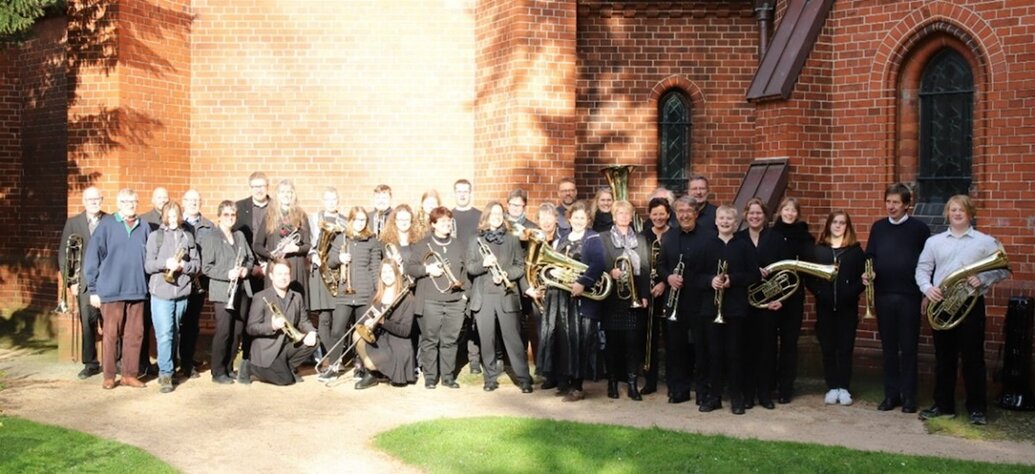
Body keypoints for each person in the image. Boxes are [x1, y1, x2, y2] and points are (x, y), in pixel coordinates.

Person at [916, 195, 1008, 426]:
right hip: (942, 305)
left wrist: (983, 278)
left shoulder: (985, 242)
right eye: (953, 210)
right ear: (947, 213)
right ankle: (944, 405)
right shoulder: (934, 242)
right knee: (944, 358)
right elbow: (923, 269)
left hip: (971, 305)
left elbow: (1003, 270)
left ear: (970, 214)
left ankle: (977, 409)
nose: (957, 213)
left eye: (962, 210)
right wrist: (928, 289)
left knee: (973, 359)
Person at [865, 183, 930, 414]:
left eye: (895, 202)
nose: (891, 206)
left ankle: (909, 396)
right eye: (888, 201)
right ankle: (891, 395)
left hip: (910, 296)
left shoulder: (919, 229)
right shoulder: (878, 227)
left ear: (906, 205)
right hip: (884, 295)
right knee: (889, 348)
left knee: (909, 348)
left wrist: (925, 294)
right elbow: (870, 256)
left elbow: (927, 263)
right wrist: (868, 272)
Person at [84, 188, 151, 389]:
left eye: (134, 202)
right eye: (126, 202)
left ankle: (129, 374)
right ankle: (109, 376)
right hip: (111, 291)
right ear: (118, 203)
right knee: (111, 334)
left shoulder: (144, 227)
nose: (130, 205)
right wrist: (93, 290)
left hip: (138, 290)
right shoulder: (106, 225)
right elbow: (92, 258)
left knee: (135, 334)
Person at [541, 201, 606, 402]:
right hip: (559, 296)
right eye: (575, 217)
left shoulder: (593, 238)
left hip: (579, 298)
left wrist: (582, 282)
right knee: (561, 339)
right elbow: (550, 263)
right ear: (569, 218)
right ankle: (564, 381)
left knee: (578, 341)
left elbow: (598, 264)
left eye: (582, 218)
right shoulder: (561, 237)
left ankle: (577, 386)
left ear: (588, 220)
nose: (578, 221)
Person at [697, 205, 759, 414]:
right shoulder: (706, 245)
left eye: (729, 219)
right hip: (710, 308)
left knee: (734, 353)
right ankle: (714, 397)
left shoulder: (744, 246)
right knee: (714, 354)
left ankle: (736, 398)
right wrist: (710, 281)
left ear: (736, 223)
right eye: (721, 218)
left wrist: (732, 279)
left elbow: (754, 275)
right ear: (716, 221)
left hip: (735, 308)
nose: (725, 222)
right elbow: (694, 276)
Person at [466, 201, 533, 393]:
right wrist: (484, 264)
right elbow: (470, 267)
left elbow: (519, 266)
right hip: (484, 298)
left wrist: (504, 274)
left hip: (506, 295)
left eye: (499, 213)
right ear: (486, 216)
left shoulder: (512, 239)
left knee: (513, 340)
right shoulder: (475, 239)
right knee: (486, 341)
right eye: (493, 213)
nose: (496, 216)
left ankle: (524, 379)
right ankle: (490, 379)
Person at [756, 197, 814, 404]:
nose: (789, 213)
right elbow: (764, 265)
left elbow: (805, 272)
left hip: (793, 298)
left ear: (798, 214)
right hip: (771, 298)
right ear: (780, 212)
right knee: (768, 344)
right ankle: (769, 385)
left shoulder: (806, 238)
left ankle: (786, 388)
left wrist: (786, 299)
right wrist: (773, 296)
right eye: (786, 210)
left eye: (793, 211)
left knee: (789, 345)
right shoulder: (770, 235)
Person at [807, 211, 865, 406]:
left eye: (842, 223)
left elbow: (863, 279)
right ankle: (832, 386)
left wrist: (851, 292)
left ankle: (844, 388)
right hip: (824, 307)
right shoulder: (818, 251)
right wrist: (820, 293)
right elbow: (809, 278)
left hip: (847, 308)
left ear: (847, 227)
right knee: (828, 348)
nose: (838, 226)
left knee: (846, 348)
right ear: (829, 225)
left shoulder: (855, 251)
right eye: (835, 222)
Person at [405, 207, 467, 389]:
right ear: (433, 224)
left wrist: (464, 296)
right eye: (442, 222)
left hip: (455, 301)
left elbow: (466, 273)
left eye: (449, 221)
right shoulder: (423, 245)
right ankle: (431, 377)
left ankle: (448, 377)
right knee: (430, 340)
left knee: (450, 340)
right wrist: (427, 269)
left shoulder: (459, 245)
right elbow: (410, 268)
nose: (447, 224)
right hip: (430, 301)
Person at [144, 201, 200, 393]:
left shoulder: (188, 236)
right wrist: (165, 263)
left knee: (174, 331)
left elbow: (197, 265)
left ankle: (171, 367)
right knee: (165, 333)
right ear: (165, 216)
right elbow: (148, 265)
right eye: (170, 215)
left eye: (176, 214)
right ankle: (166, 373)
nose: (173, 218)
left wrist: (183, 267)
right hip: (161, 293)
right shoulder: (155, 237)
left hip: (182, 292)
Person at [656, 197, 706, 404]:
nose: (684, 215)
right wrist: (668, 277)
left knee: (702, 347)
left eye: (688, 211)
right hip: (675, 301)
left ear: (695, 213)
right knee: (676, 347)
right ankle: (679, 389)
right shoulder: (668, 237)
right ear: (676, 214)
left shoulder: (708, 236)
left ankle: (703, 391)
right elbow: (660, 264)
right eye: (680, 211)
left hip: (700, 300)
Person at [600, 200, 651, 401]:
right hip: (613, 297)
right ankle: (612, 382)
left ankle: (631, 384)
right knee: (612, 344)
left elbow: (645, 267)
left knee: (633, 343)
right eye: (619, 213)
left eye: (626, 213)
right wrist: (608, 270)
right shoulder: (604, 238)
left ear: (631, 216)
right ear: (614, 216)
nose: (623, 216)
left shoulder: (640, 238)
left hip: (634, 295)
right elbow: (598, 262)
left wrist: (645, 294)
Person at [324, 206, 383, 380]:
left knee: (361, 333)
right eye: (357, 219)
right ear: (350, 220)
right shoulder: (341, 238)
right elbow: (330, 262)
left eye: (363, 220)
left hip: (365, 294)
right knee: (337, 331)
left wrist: (375, 293)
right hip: (345, 293)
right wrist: (339, 259)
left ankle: (360, 366)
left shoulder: (372, 241)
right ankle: (334, 366)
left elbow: (374, 268)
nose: (360, 223)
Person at [201, 200, 254, 385]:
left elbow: (250, 259)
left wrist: (246, 270)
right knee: (223, 331)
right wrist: (227, 273)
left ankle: (229, 367)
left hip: (241, 290)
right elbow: (206, 267)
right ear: (219, 217)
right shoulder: (211, 237)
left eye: (233, 215)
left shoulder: (239, 235)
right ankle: (217, 371)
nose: (230, 218)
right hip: (222, 291)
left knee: (237, 331)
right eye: (226, 215)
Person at [244, 259, 318, 386]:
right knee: (285, 380)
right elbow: (250, 328)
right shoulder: (260, 297)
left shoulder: (297, 297)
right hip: (267, 349)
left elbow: (303, 321)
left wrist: (311, 332)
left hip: (286, 345)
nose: (283, 278)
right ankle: (250, 367)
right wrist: (271, 326)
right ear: (271, 276)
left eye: (286, 274)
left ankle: (287, 367)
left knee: (314, 341)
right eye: (279, 274)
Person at [58, 186, 106, 379]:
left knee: (112, 323)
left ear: (101, 200)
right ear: (84, 202)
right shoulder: (73, 223)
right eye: (90, 199)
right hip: (84, 282)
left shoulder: (111, 221)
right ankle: (90, 363)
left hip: (108, 281)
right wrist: (71, 282)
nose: (94, 202)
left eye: (97, 199)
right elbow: (64, 254)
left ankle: (116, 361)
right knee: (87, 324)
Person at [736, 198, 776, 410]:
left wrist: (778, 298)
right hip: (744, 302)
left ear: (765, 216)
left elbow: (783, 270)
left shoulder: (774, 238)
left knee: (766, 349)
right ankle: (748, 394)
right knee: (746, 349)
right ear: (745, 215)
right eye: (751, 213)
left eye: (759, 213)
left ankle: (765, 393)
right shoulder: (739, 238)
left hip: (767, 302)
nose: (754, 216)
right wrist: (752, 272)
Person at [353, 260, 417, 389]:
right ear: (380, 275)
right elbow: (362, 321)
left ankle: (374, 372)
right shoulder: (375, 296)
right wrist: (367, 322)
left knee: (372, 363)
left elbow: (405, 331)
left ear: (396, 274)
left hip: (398, 344)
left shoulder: (407, 297)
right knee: (356, 335)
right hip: (380, 340)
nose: (387, 275)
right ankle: (374, 372)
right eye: (384, 272)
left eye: (390, 271)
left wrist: (383, 322)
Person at [233, 171, 271, 383]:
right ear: (250, 187)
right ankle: (247, 359)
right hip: (248, 272)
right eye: (254, 186)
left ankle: (269, 359)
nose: (258, 189)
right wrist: (253, 267)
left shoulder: (276, 207)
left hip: (272, 269)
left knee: (271, 315)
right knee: (249, 316)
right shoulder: (239, 207)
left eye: (262, 185)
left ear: (267, 187)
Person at [308, 187, 346, 371]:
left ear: (338, 201)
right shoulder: (314, 219)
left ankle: (332, 359)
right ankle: (334, 358)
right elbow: (308, 242)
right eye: (328, 199)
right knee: (323, 318)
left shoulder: (345, 221)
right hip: (319, 271)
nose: (331, 202)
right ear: (323, 201)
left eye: (334, 199)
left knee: (337, 319)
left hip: (337, 272)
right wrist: (312, 254)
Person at [253, 179, 312, 295]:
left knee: (296, 304)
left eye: (289, 192)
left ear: (293, 195)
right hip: (275, 265)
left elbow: (308, 245)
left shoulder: (301, 215)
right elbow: (257, 245)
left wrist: (296, 249)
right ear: (278, 195)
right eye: (282, 192)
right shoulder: (269, 215)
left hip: (295, 266)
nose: (286, 195)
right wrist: (270, 255)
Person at [531, 202, 567, 389]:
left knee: (560, 335)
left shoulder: (564, 239)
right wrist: (532, 288)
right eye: (542, 218)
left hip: (559, 293)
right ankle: (549, 375)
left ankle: (562, 377)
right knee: (543, 335)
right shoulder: (533, 239)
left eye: (549, 217)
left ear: (556, 219)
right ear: (537, 221)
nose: (546, 221)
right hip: (539, 294)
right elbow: (527, 265)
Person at [179, 189, 214, 379]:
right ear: (183, 202)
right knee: (175, 322)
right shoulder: (176, 223)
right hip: (178, 281)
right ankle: (175, 360)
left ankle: (187, 362)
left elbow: (211, 253)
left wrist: (201, 270)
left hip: (198, 282)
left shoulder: (209, 226)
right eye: (190, 200)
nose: (193, 203)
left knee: (192, 323)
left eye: (197, 200)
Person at [640, 197, 672, 395]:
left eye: (662, 213)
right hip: (648, 293)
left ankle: (673, 382)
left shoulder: (675, 235)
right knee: (649, 340)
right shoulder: (643, 236)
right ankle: (650, 382)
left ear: (668, 214)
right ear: (650, 215)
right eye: (655, 214)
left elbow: (678, 264)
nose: (659, 217)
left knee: (672, 340)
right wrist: (646, 290)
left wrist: (664, 282)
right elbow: (640, 266)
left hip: (669, 292)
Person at [451, 179, 483, 375]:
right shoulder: (449, 215)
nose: (462, 194)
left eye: (466, 191)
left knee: (474, 317)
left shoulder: (479, 216)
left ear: (471, 192)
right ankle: (453, 359)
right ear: (454, 193)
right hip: (454, 272)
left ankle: (474, 359)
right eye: (459, 191)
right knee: (454, 316)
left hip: (475, 272)